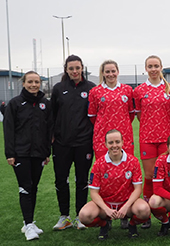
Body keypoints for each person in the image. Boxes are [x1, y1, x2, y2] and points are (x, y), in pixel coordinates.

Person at [3, 71, 53, 241]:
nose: (33, 85)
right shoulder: (15, 104)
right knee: (25, 188)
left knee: (34, 187)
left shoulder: (45, 104)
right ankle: (29, 223)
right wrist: (10, 153)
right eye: (30, 82)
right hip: (21, 154)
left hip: (38, 154)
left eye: (36, 82)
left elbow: (48, 131)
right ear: (23, 83)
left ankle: (28, 223)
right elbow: (8, 130)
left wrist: (47, 152)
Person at [50, 55, 96, 230]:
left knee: (82, 179)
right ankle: (64, 217)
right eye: (71, 69)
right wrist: (52, 136)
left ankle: (79, 216)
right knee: (61, 179)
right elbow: (52, 115)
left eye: (77, 68)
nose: (75, 71)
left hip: (84, 142)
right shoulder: (58, 89)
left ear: (82, 68)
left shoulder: (91, 88)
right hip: (61, 143)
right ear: (66, 70)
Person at [78, 129, 150, 240]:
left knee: (144, 210)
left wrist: (125, 207)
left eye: (117, 142)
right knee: (84, 216)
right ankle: (104, 225)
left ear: (122, 142)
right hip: (105, 205)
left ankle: (132, 224)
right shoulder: (98, 164)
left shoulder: (133, 161)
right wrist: (106, 210)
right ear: (106, 144)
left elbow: (137, 189)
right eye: (111, 143)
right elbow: (94, 192)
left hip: (127, 204)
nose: (114, 145)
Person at [133, 55, 170, 229]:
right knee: (150, 176)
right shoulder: (139, 90)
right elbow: (138, 115)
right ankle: (148, 214)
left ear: (161, 67)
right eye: (150, 66)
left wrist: (164, 125)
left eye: (156, 66)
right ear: (146, 68)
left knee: (167, 177)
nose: (153, 69)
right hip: (147, 139)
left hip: (166, 139)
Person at [88, 60, 135, 159]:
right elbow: (92, 116)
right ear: (103, 73)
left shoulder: (128, 90)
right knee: (104, 169)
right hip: (102, 137)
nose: (111, 74)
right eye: (107, 72)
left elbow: (131, 114)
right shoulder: (95, 92)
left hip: (124, 136)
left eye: (113, 71)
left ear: (118, 72)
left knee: (126, 167)